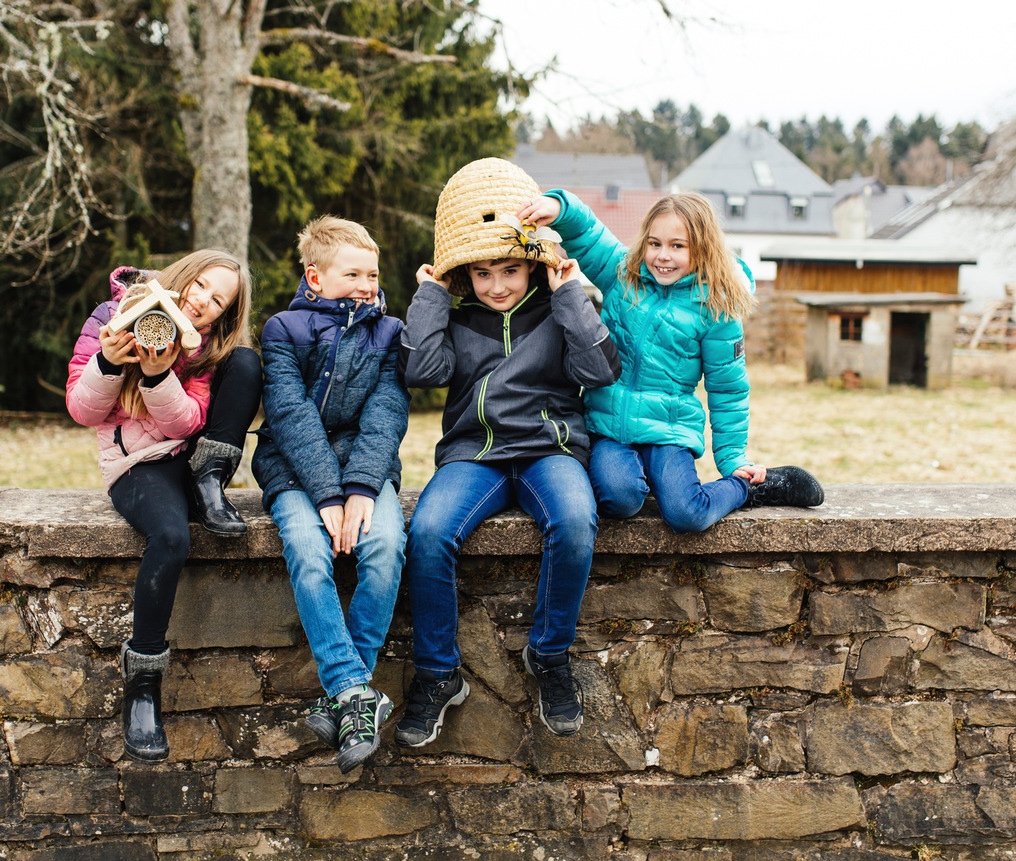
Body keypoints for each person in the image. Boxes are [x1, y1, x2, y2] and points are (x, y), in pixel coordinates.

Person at [396, 158, 622, 748]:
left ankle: (548, 656)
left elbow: (598, 370)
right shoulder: (457, 314)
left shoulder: (560, 307)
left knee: (574, 521)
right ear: (464, 275)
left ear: (534, 264)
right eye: (483, 273)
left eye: (512, 270)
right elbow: (421, 369)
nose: (497, 286)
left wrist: (568, 291)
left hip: (550, 448)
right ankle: (440, 673)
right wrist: (430, 296)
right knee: (428, 531)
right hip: (476, 454)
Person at [516, 190, 824, 535]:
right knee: (619, 500)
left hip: (669, 430)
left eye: (678, 246)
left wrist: (733, 461)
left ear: (703, 249)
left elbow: (728, 389)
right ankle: (642, 480)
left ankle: (750, 491)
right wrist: (560, 208)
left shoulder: (716, 309)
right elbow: (588, 235)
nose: (663, 256)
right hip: (609, 428)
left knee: (685, 514)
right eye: (655, 243)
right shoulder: (622, 276)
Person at [65, 249, 262, 762]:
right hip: (139, 465)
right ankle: (144, 686)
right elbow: (82, 409)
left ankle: (211, 482)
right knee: (171, 538)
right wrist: (111, 361)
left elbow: (186, 425)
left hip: (190, 456)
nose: (202, 302)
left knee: (245, 362)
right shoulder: (113, 314)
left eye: (218, 301)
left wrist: (160, 374)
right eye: (201, 287)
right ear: (184, 274)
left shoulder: (208, 346)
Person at [251, 215, 409, 774]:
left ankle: (345, 696)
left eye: (373, 273)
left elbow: (387, 412)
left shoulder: (389, 332)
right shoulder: (283, 329)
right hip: (295, 469)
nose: (368, 285)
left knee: (386, 547)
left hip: (366, 469)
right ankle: (357, 691)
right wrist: (326, 495)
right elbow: (290, 415)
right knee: (309, 550)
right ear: (315, 277)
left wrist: (363, 487)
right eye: (353, 273)